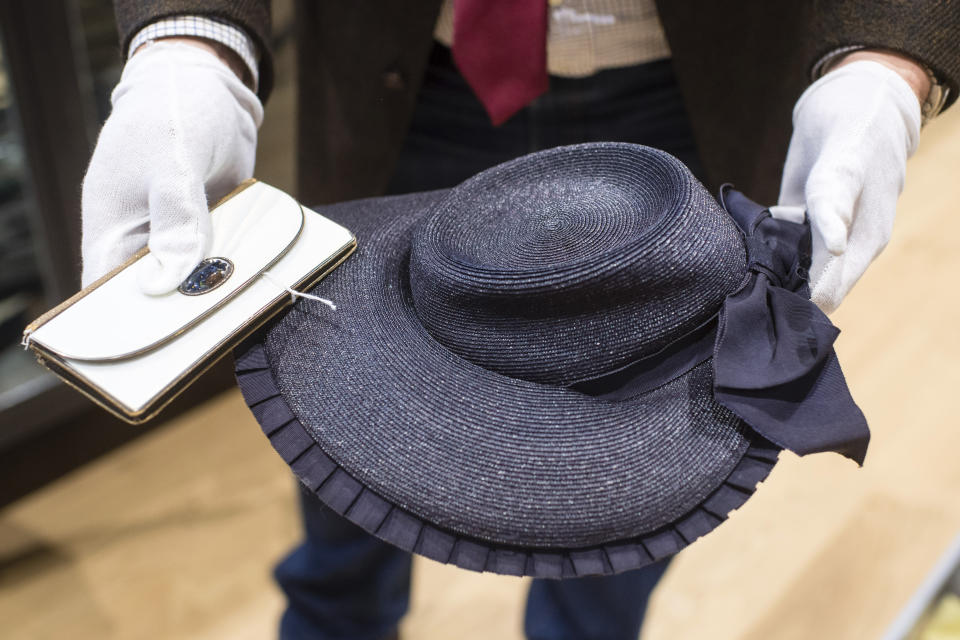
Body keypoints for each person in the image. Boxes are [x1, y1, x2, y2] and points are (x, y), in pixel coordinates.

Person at [83, 2, 959, 638]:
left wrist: (885, 58)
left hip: (697, 88)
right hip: (406, 72)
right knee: (350, 449)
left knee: (632, 485)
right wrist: (189, 38)